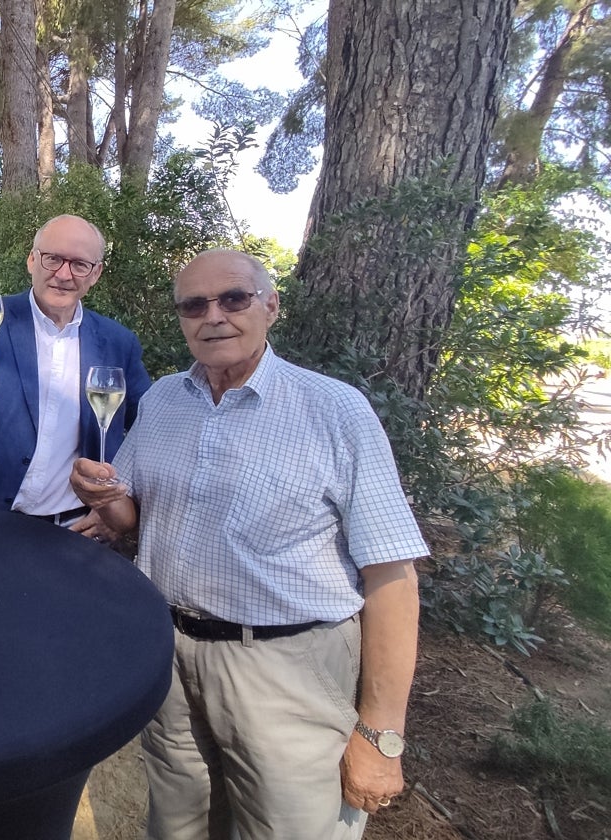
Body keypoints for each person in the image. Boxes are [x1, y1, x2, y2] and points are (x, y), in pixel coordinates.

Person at [70, 249, 426, 839]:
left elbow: (391, 577)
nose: (214, 316)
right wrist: (102, 496)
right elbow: (130, 513)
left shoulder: (335, 410)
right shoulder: (162, 401)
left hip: (286, 669)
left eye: (233, 298)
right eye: (194, 305)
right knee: (178, 824)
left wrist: (381, 736)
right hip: (172, 658)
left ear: (270, 306)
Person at [0, 214, 150, 528]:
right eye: (52, 259)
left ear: (96, 273)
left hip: (71, 531)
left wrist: (113, 508)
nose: (63, 274)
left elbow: (147, 429)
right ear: (32, 260)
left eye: (79, 264)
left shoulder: (118, 343)